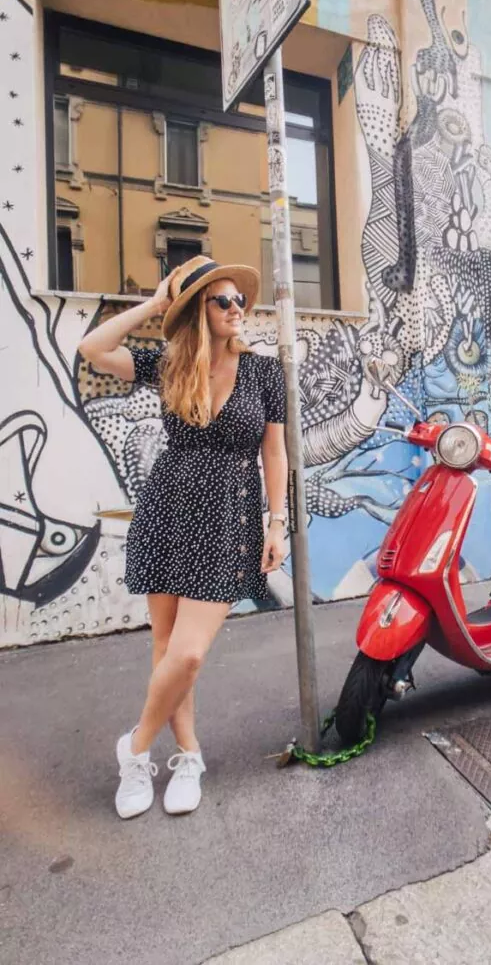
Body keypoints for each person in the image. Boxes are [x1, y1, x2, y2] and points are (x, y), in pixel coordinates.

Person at [78, 256, 288, 819]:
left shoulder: (264, 372)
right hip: (169, 505)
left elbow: (274, 451)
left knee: (189, 654)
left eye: (240, 300)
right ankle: (188, 755)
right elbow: (93, 349)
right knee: (166, 649)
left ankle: (136, 748)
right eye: (222, 300)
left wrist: (277, 521)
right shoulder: (171, 365)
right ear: (199, 310)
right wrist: (154, 305)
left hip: (228, 514)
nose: (236, 308)